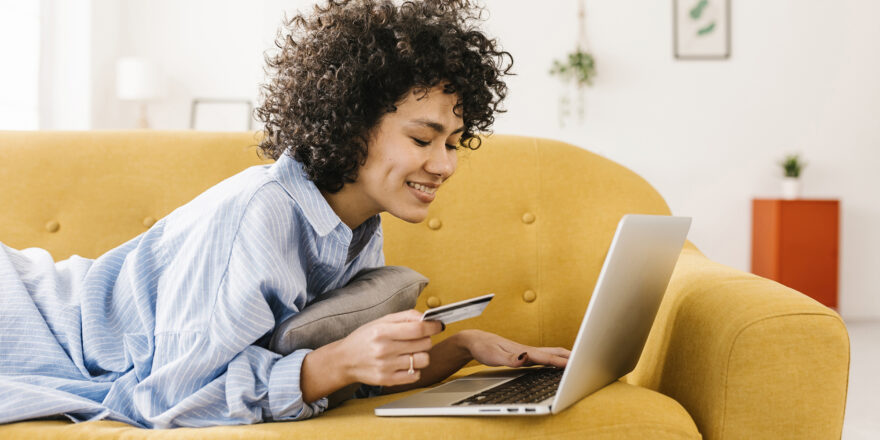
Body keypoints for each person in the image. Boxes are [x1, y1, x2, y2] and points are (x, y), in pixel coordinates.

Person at [0, 0, 570, 429]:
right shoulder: (261, 213)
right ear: (350, 126)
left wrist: (464, 349)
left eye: (453, 142)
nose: (444, 164)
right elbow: (163, 404)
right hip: (24, 317)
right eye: (424, 138)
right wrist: (333, 363)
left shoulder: (355, 227)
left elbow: (342, 376)